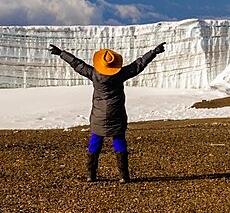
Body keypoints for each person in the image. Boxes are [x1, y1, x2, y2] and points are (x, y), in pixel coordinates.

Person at [48, 42, 166, 183]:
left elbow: (77, 65)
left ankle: (90, 175)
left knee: (95, 143)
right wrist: (154, 52)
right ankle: (123, 176)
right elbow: (138, 65)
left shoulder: (94, 74)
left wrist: (61, 53)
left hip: (98, 115)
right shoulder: (120, 74)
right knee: (119, 142)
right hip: (116, 114)